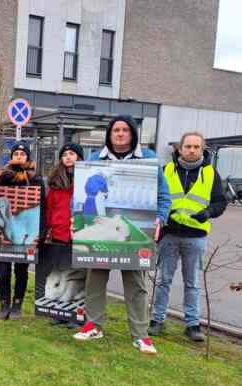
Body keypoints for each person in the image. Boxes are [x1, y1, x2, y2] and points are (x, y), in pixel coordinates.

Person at [73, 115, 171, 355]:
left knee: (136, 283)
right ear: (109, 133)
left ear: (132, 134)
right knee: (95, 277)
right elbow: (79, 195)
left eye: (124, 130)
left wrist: (160, 218)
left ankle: (141, 335)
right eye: (115, 130)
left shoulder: (148, 160)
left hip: (132, 228)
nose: (119, 134)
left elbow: (163, 196)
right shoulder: (96, 159)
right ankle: (93, 325)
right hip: (101, 227)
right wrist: (73, 221)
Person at [149, 132, 227, 342]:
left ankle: (192, 325)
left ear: (202, 150)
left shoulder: (211, 173)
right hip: (169, 234)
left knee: (192, 282)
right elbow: (154, 197)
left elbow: (221, 202)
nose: (192, 150)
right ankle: (157, 320)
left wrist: (208, 213)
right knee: (163, 280)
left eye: (196, 147)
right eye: (188, 146)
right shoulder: (166, 170)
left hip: (195, 236)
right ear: (180, 149)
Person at [0, 141, 46, 320]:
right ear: (11, 157)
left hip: (25, 232)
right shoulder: (2, 176)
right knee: (2, 270)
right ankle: (3, 304)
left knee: (21, 270)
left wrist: (41, 231)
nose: (19, 157)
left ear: (27, 157)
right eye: (16, 154)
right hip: (4, 231)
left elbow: (42, 205)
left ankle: (17, 305)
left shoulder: (35, 178)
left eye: (22, 154)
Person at [40, 143, 85, 328]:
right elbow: (50, 208)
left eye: (72, 153)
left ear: (79, 158)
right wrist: (48, 229)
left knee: (80, 275)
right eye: (65, 154)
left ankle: (77, 314)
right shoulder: (55, 183)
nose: (68, 157)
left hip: (81, 233)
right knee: (63, 274)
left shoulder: (86, 180)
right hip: (60, 233)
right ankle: (61, 312)